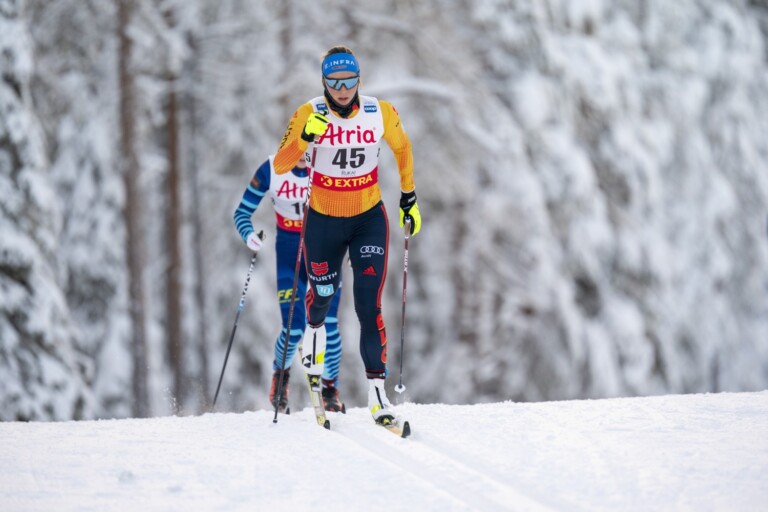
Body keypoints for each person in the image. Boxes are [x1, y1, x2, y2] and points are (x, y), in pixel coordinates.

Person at [272, 45, 421, 425]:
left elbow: (402, 148)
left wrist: (408, 197)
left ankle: (377, 395)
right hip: (323, 221)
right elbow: (282, 163)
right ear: (323, 82)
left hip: (367, 219)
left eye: (349, 81)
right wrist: (305, 138)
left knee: (368, 305)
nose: (342, 90)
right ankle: (313, 361)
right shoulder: (308, 112)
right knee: (322, 296)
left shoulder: (379, 111)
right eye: (334, 82)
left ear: (359, 80)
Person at [233, 154, 346, 413]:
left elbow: (352, 210)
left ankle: (330, 389)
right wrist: (249, 235)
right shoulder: (272, 168)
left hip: (325, 249)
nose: (304, 155)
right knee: (294, 327)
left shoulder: (327, 163)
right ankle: (280, 376)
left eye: (310, 148)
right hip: (289, 251)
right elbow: (242, 213)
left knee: (329, 324)